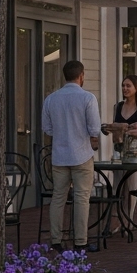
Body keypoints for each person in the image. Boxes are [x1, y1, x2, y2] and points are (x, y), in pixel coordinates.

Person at [40, 60, 100, 253]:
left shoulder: (51, 99)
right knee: (82, 198)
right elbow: (94, 129)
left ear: (63, 75)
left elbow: (47, 129)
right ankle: (80, 241)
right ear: (81, 75)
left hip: (59, 155)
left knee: (58, 197)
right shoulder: (88, 98)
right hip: (82, 154)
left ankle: (56, 240)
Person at [103, 74, 137, 232]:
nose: (125, 88)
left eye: (128, 86)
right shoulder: (118, 106)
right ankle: (116, 219)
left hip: (135, 151)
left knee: (131, 186)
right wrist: (108, 128)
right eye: (123, 85)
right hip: (118, 150)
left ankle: (128, 221)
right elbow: (114, 127)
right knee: (118, 185)